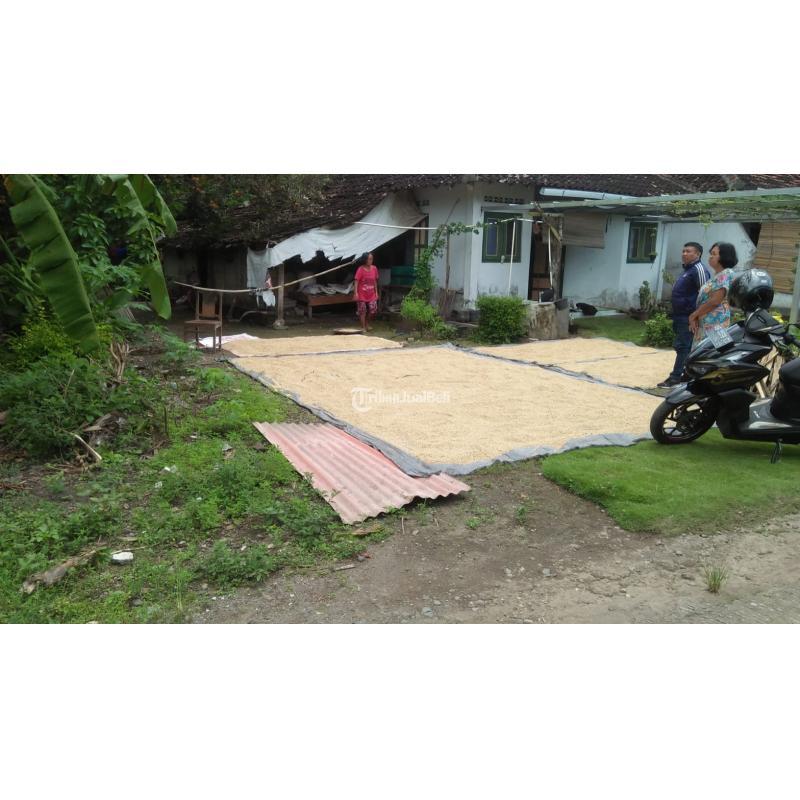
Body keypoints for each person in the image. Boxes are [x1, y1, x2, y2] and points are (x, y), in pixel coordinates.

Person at [657, 242, 710, 388]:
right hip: (680, 315)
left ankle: (676, 377)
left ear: (698, 254)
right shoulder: (688, 269)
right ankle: (684, 374)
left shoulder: (699, 269)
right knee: (681, 346)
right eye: (683, 251)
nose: (684, 254)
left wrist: (696, 316)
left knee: (684, 346)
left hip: (689, 316)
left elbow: (704, 295)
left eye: (688, 251)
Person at [689, 242, 737, 342]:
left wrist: (694, 315)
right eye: (711, 253)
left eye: (714, 254)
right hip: (708, 324)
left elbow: (715, 301)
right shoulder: (718, 275)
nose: (710, 257)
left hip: (714, 325)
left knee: (709, 351)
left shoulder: (725, 274)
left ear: (724, 257)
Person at [354, 252, 380, 332]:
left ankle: (367, 323)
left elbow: (375, 281)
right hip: (362, 293)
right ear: (365, 260)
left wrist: (376, 292)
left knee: (373, 309)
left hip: (371, 293)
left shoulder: (374, 268)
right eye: (369, 259)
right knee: (362, 310)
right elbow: (356, 281)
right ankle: (363, 327)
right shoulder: (360, 269)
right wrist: (356, 293)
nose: (371, 260)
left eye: (372, 259)